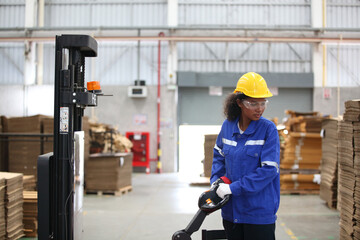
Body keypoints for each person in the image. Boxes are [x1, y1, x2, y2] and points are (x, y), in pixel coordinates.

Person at [210, 72, 280, 240]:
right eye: (253, 103)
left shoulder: (268, 130)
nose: (260, 108)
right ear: (239, 102)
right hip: (231, 212)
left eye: (263, 103)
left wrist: (233, 188)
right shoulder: (227, 126)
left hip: (259, 213)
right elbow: (218, 156)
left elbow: (269, 170)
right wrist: (216, 181)